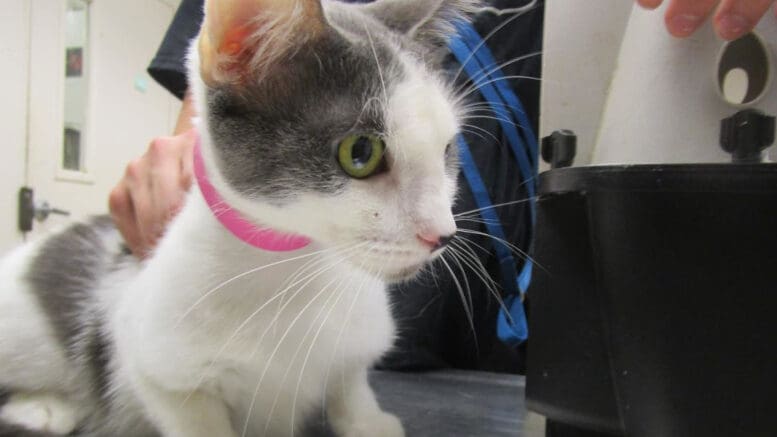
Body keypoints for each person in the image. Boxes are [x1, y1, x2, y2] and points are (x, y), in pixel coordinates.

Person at [109, 0, 776, 372]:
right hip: (282, 335)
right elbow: (212, 114)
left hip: (533, 357)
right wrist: (188, 179)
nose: (442, 224)